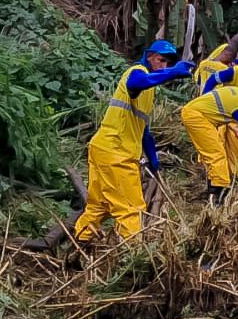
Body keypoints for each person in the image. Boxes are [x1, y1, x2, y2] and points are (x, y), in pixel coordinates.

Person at [73, 40, 193, 240]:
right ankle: (132, 258)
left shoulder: (150, 90)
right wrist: (173, 72)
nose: (163, 66)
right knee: (131, 208)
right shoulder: (137, 72)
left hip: (103, 148)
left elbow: (143, 130)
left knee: (99, 206)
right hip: (116, 152)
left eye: (167, 64)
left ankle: (80, 244)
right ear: (149, 56)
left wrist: (153, 158)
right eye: (160, 60)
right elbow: (137, 83)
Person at [180, 74, 238, 202]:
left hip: (197, 114)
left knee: (215, 153)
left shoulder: (237, 92)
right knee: (216, 154)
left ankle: (216, 188)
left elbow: (220, 111)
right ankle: (218, 195)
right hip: (196, 116)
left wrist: (234, 128)